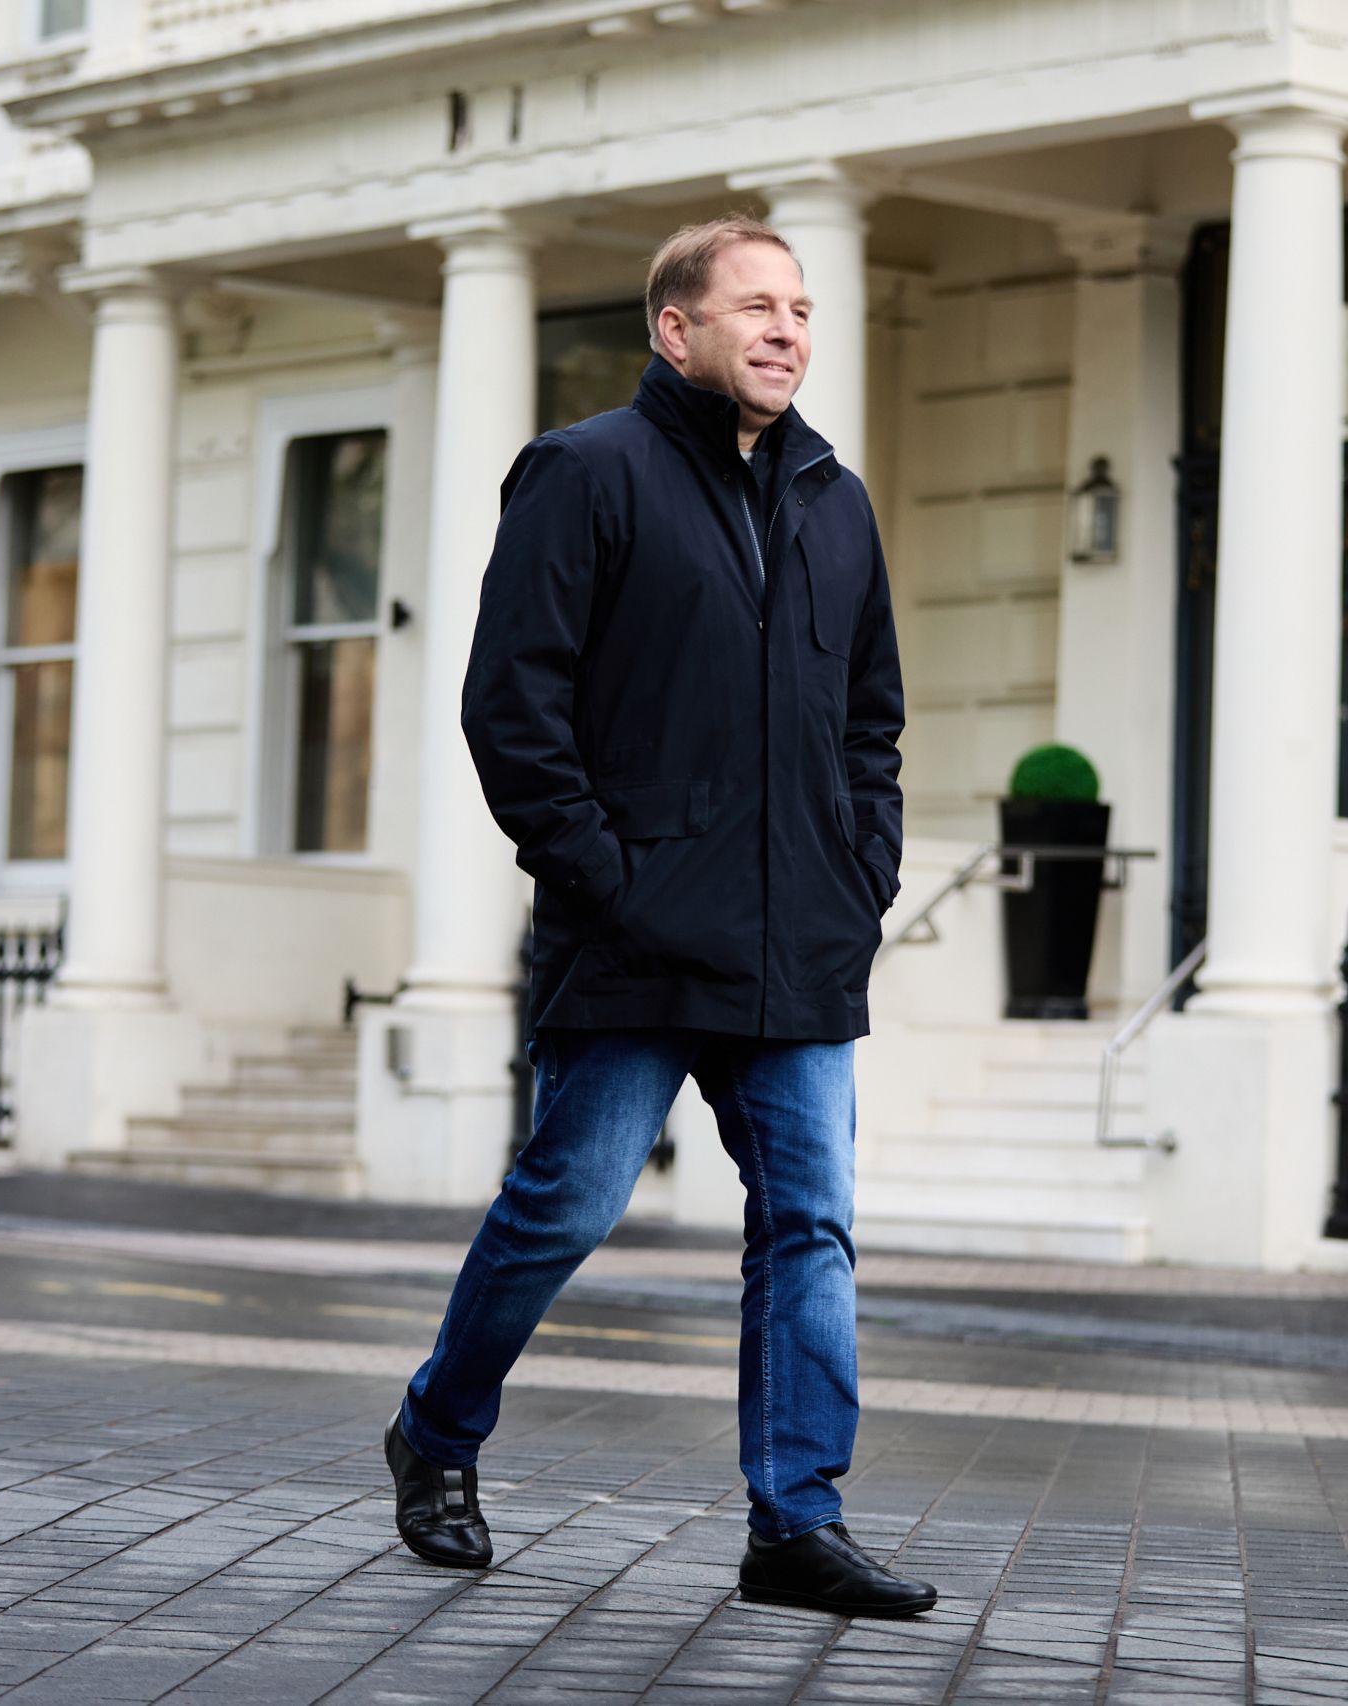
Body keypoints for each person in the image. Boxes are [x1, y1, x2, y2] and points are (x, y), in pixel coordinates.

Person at [383, 215, 933, 1618]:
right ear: (674, 328)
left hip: (800, 946)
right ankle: (437, 1431)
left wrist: (862, 870)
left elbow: (872, 721)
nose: (788, 329)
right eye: (756, 304)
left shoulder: (836, 500)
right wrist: (607, 879)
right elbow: (511, 707)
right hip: (630, 939)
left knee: (810, 1221)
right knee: (567, 1202)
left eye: (802, 308)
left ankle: (794, 1521)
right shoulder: (585, 474)